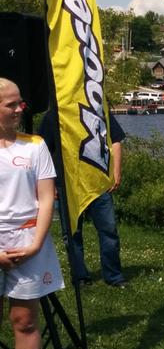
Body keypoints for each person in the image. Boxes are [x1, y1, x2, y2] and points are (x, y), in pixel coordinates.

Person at [0, 78, 64, 349]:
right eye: (11, 104)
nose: (20, 109)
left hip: (28, 242)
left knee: (24, 320)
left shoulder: (35, 145)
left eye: (20, 102)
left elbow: (46, 197)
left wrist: (36, 243)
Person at [38, 109, 127, 288]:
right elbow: (43, 150)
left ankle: (114, 276)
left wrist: (116, 171)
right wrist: (50, 183)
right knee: (72, 234)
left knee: (109, 230)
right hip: (67, 185)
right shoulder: (55, 113)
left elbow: (115, 140)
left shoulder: (98, 108)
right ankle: (80, 277)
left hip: (98, 182)